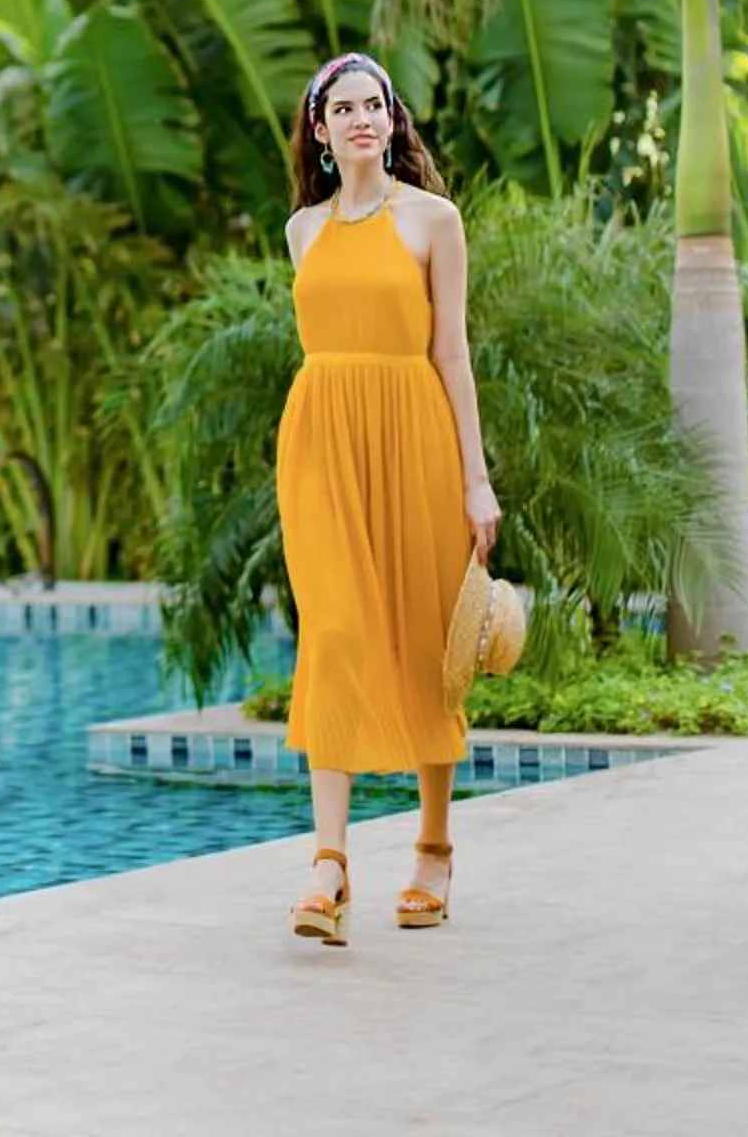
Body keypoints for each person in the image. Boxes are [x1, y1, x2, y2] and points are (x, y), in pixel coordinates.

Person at [276, 53, 500, 946]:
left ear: (393, 121)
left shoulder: (434, 221)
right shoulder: (302, 230)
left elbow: (454, 357)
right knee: (331, 635)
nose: (363, 117)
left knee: (419, 639)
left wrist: (476, 480)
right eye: (345, 107)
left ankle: (434, 847)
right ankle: (328, 868)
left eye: (377, 104)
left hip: (416, 438)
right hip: (321, 444)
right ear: (321, 132)